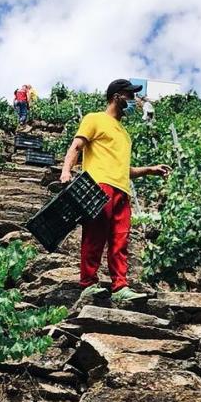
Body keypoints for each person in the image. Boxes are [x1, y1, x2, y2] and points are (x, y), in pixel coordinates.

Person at [60, 78, 170, 306]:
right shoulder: (94, 119)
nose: (133, 100)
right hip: (99, 185)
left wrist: (150, 170)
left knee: (120, 241)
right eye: (130, 95)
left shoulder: (125, 134)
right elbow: (77, 146)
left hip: (122, 190)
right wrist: (65, 171)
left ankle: (120, 287)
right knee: (94, 236)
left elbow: (124, 169)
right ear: (117, 96)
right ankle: (88, 284)